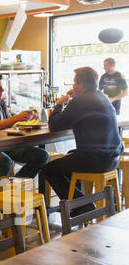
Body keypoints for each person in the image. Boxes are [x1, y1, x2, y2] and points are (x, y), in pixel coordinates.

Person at [42, 66, 123, 215]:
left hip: (97, 160)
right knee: (70, 157)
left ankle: (82, 205)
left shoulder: (80, 101)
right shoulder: (101, 96)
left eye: (74, 82)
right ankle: (78, 205)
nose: (73, 85)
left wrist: (59, 104)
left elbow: (54, 125)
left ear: (81, 84)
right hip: (113, 157)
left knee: (49, 169)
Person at [0, 71, 49, 178]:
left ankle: (15, 185)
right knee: (4, 161)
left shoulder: (0, 102)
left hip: (5, 144)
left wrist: (27, 118)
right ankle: (0, 193)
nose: (2, 90)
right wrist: (15, 118)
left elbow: (10, 124)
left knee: (42, 155)